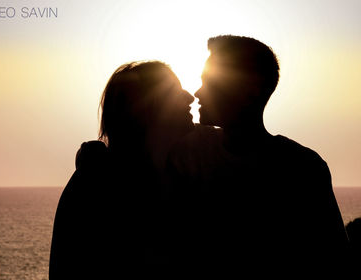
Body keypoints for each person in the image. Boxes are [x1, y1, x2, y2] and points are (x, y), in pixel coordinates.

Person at [168, 35, 349, 274]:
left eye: (211, 83)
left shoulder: (301, 168)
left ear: (250, 91)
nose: (197, 93)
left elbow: (334, 259)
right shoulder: (188, 145)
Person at [49, 61, 194, 278]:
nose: (190, 97)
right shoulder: (97, 185)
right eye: (174, 91)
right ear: (148, 107)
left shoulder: (171, 175)